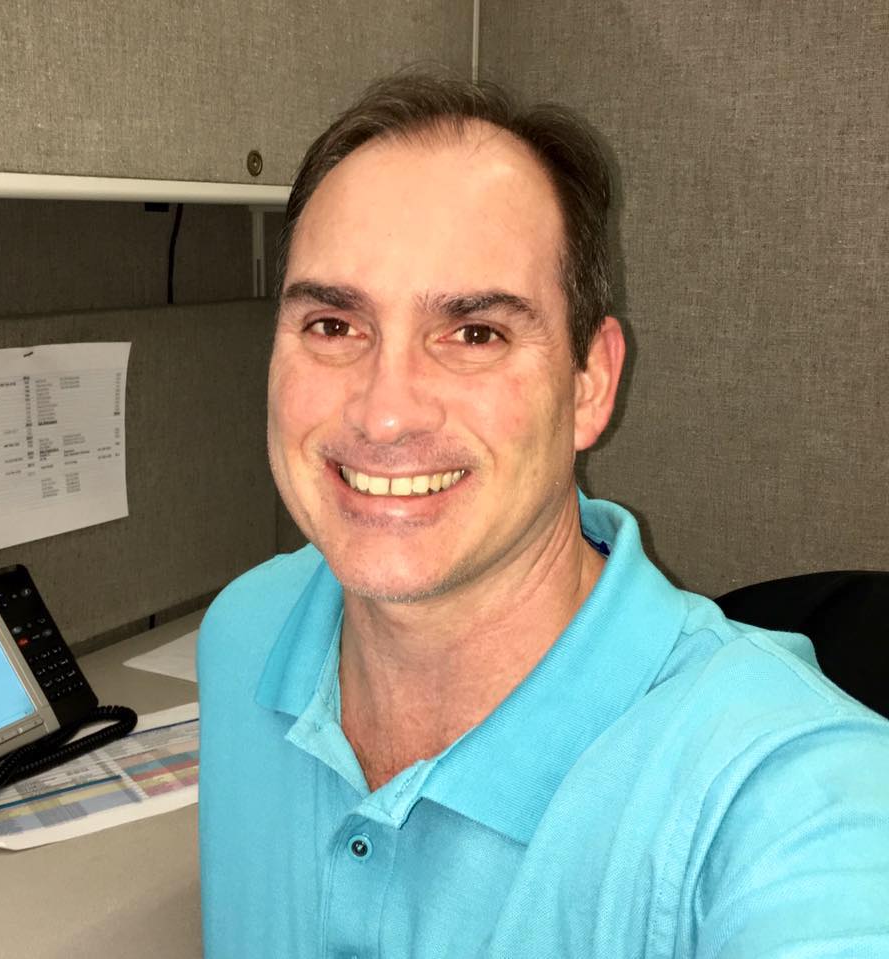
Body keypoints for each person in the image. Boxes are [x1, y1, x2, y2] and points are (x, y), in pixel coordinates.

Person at [198, 73, 889, 957]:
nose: (384, 412)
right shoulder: (244, 634)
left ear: (590, 384)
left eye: (475, 333)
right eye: (334, 325)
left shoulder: (786, 796)